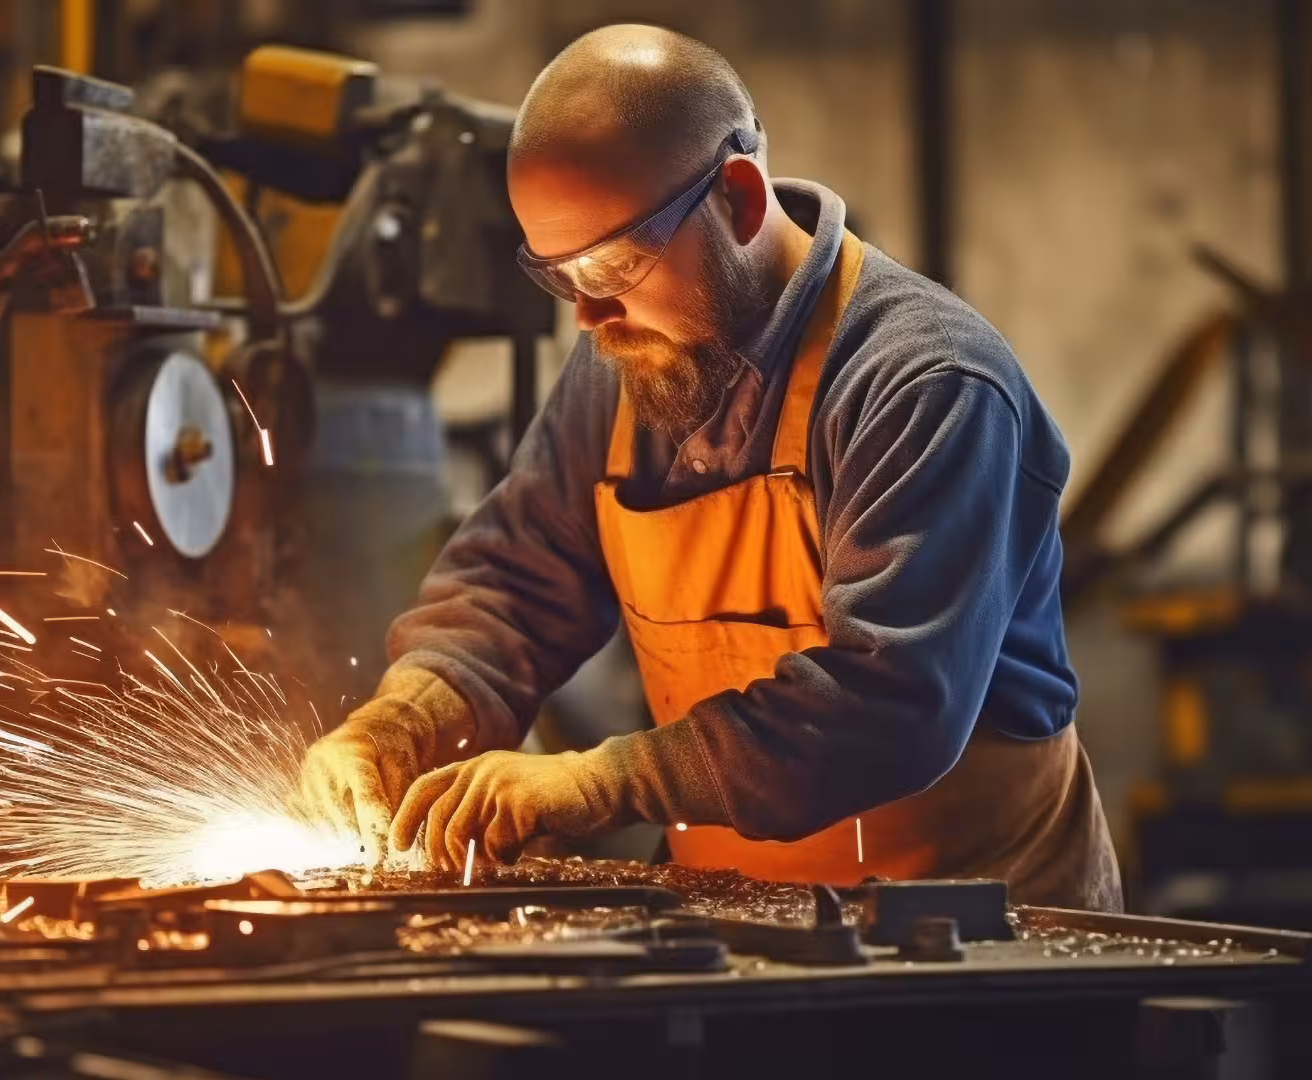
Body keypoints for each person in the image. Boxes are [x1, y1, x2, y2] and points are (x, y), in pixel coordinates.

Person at [296, 23, 1121, 910]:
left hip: (977, 934)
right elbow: (517, 579)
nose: (589, 316)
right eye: (559, 276)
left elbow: (890, 708)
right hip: (742, 920)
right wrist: (409, 713)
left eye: (613, 262)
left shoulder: (925, 384)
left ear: (738, 197)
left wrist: (599, 780)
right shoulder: (627, 351)